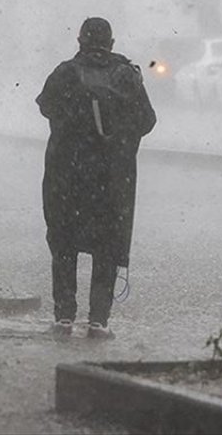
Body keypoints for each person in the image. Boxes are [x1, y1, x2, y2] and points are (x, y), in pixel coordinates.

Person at [37, 17, 156, 339]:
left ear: (80, 40)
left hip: (67, 174)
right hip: (111, 178)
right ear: (112, 43)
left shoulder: (65, 73)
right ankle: (98, 321)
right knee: (106, 246)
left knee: (64, 244)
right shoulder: (127, 77)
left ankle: (64, 317)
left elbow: (45, 106)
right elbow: (147, 120)